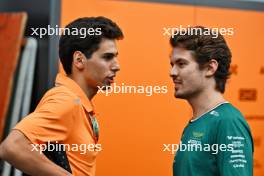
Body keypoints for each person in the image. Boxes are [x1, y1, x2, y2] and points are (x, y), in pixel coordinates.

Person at [0, 16, 123, 176]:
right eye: (107, 57)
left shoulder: (77, 103)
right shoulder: (66, 100)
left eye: (115, 56)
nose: (117, 66)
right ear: (79, 60)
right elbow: (12, 147)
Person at [169, 26, 253, 176]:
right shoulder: (198, 121)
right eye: (172, 65)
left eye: (181, 64)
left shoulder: (228, 122)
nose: (172, 72)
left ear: (210, 68)